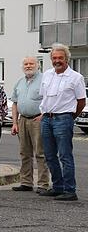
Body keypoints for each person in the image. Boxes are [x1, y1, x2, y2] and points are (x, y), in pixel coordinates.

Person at [39, 43, 86, 201]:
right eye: (54, 58)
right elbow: (44, 97)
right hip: (46, 118)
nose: (57, 60)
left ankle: (70, 190)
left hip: (63, 118)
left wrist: (70, 117)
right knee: (50, 155)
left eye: (60, 58)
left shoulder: (76, 78)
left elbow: (81, 101)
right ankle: (57, 187)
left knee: (65, 156)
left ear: (67, 59)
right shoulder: (47, 75)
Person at [10, 57, 49, 193]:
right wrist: (14, 122)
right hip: (22, 120)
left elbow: (50, 99)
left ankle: (43, 184)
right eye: (25, 64)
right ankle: (26, 182)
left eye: (31, 63)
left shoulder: (45, 80)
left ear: (37, 65)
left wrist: (43, 115)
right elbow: (14, 103)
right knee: (24, 153)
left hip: (37, 120)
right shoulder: (20, 82)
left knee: (40, 153)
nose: (28, 66)